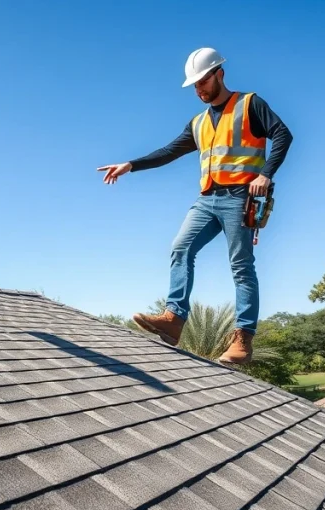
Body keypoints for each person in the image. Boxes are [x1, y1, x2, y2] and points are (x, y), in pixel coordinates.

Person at [97, 47, 293, 365]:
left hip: (240, 198)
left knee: (241, 266)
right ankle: (173, 320)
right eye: (195, 86)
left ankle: (243, 339)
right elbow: (169, 151)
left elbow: (283, 134)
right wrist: (130, 165)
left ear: (220, 74)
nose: (199, 90)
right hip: (207, 199)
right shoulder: (198, 123)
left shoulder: (250, 104)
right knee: (180, 248)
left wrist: (265, 175)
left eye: (203, 82)